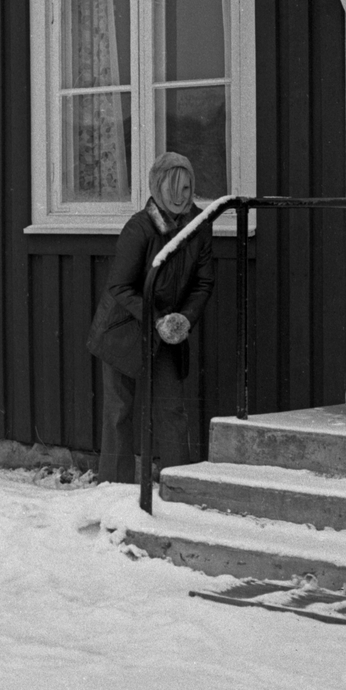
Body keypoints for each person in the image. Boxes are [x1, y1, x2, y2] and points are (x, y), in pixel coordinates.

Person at [87, 151, 215, 484]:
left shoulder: (199, 226)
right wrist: (156, 317)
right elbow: (120, 285)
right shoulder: (140, 227)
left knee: (172, 408)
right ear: (157, 187)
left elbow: (203, 282)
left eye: (186, 188)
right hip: (124, 327)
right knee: (119, 411)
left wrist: (184, 319)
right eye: (172, 188)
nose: (179, 197)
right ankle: (114, 488)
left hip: (168, 327)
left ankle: (179, 485)